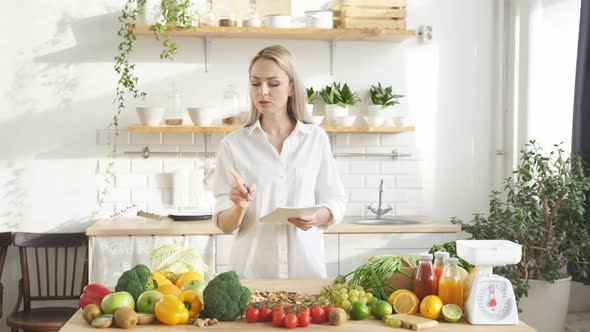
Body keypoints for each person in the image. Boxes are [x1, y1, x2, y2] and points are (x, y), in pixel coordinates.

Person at [212, 45, 346, 279]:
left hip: (306, 272)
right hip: (251, 275)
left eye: (273, 84)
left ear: (292, 87)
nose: (262, 92)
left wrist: (316, 218)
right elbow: (224, 225)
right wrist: (239, 207)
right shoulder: (233, 145)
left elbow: (335, 200)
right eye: (255, 83)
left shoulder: (315, 139)